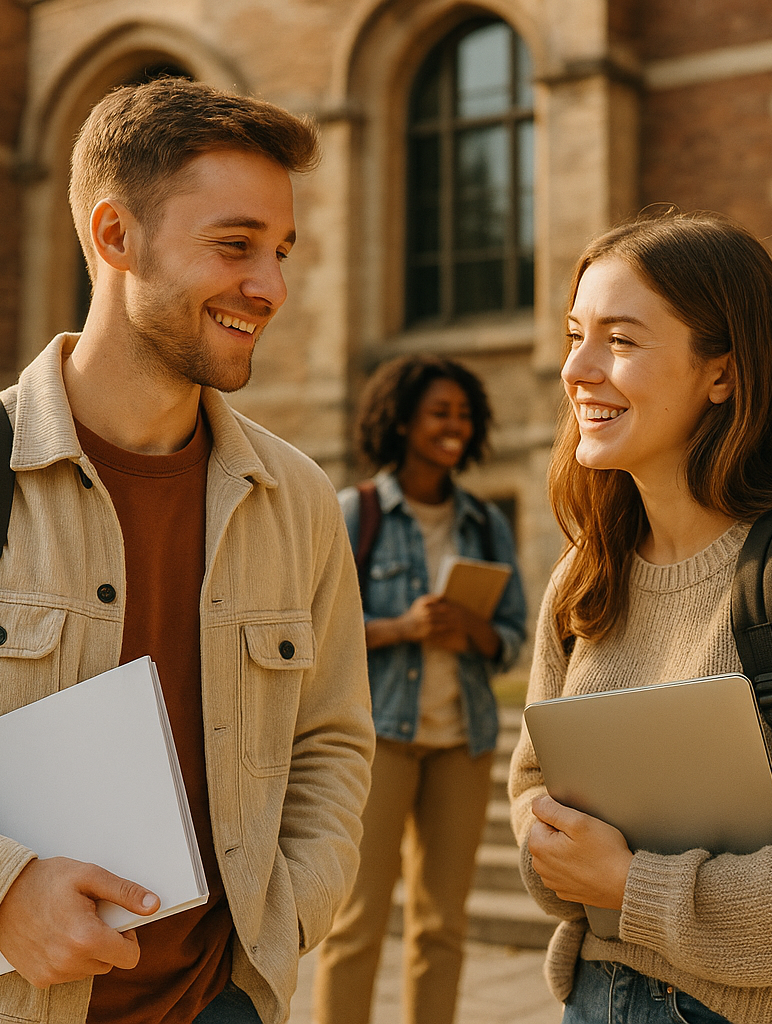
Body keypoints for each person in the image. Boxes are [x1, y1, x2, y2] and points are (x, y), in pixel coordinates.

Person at [0, 78, 375, 1024]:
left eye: (280, 251)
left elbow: (333, 740)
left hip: (224, 1003)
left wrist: (282, 920)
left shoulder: (297, 499)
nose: (270, 287)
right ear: (114, 237)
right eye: (234, 246)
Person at [508, 213, 772, 1023]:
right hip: (595, 997)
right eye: (574, 335)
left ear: (724, 375)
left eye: (621, 341)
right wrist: (557, 848)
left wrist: (633, 886)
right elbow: (533, 788)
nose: (577, 370)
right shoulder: (582, 575)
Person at [312, 354, 527, 1024]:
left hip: (462, 740)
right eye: (440, 413)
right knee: (356, 920)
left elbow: (516, 635)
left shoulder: (485, 523)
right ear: (403, 422)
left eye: (464, 415)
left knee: (443, 926)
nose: (454, 426)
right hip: (379, 740)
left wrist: (476, 632)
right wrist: (403, 626)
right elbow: (317, 632)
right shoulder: (358, 512)